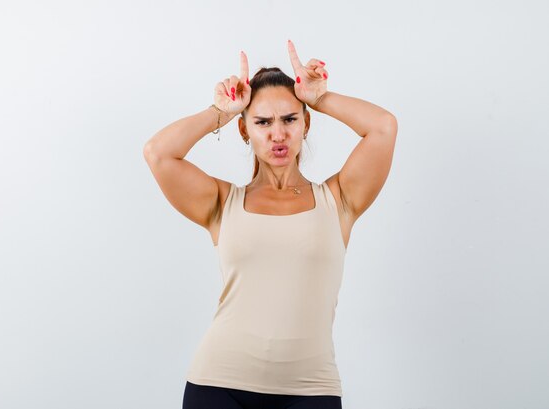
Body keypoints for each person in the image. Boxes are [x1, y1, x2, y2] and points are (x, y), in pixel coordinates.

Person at [143, 39, 397, 409]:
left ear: (305, 122)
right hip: (219, 385)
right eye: (263, 122)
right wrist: (219, 112)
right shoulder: (221, 203)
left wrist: (320, 97)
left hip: (311, 389)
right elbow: (158, 153)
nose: (278, 134)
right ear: (245, 130)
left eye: (290, 119)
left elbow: (384, 128)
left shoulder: (339, 199)